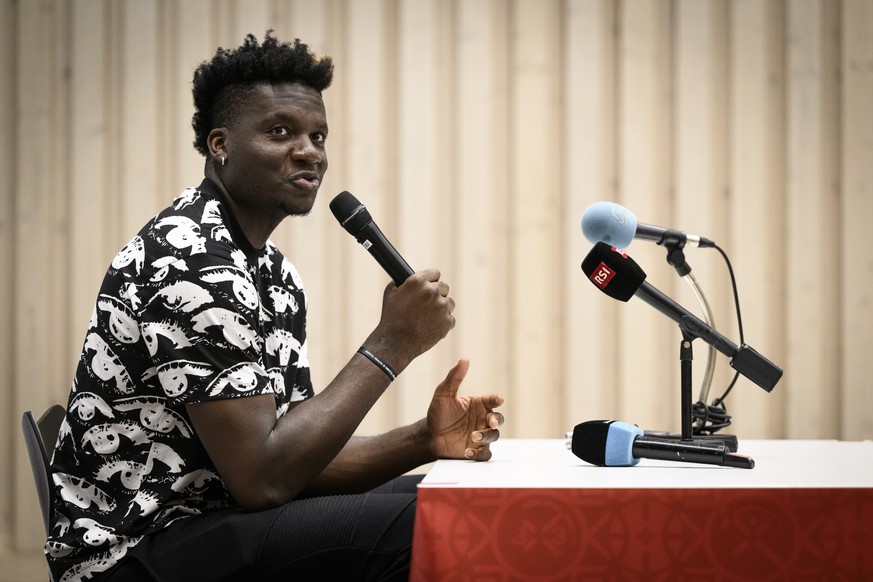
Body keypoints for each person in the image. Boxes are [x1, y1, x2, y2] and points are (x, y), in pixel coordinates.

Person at [46, 31, 504, 582]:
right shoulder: (190, 258)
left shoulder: (270, 271)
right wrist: (393, 343)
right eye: (280, 131)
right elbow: (263, 479)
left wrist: (422, 441)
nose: (309, 150)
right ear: (221, 145)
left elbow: (292, 456)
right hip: (130, 553)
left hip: (212, 521)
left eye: (318, 135)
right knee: (428, 526)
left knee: (454, 503)